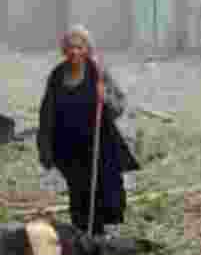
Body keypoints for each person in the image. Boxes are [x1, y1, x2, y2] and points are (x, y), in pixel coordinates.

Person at [37, 25, 139, 237]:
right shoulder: (57, 76)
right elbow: (46, 115)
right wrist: (45, 150)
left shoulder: (98, 72)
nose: (75, 51)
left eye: (79, 47)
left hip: (100, 143)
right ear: (64, 50)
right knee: (79, 193)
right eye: (70, 47)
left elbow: (119, 107)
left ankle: (106, 235)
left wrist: (106, 98)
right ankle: (85, 236)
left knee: (107, 189)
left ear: (87, 49)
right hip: (69, 147)